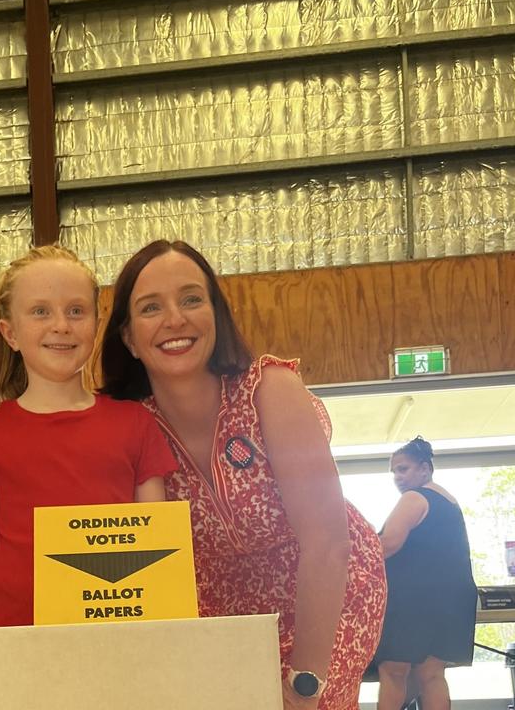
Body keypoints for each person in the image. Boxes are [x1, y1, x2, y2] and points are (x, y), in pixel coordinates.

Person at [99, 239, 386, 709]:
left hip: (327, 595)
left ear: (216, 314)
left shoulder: (269, 390)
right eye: (151, 307)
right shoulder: (129, 425)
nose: (175, 319)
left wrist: (307, 681)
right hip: (224, 618)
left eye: (192, 299)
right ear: (128, 337)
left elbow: (328, 544)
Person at [0, 245, 177, 683]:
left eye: (75, 310)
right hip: (14, 656)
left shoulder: (135, 423)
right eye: (40, 312)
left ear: (95, 322)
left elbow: (159, 549)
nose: (61, 326)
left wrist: (162, 651)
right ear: (10, 333)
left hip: (120, 656)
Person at [374, 437, 477, 710]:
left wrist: (347, 560)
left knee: (393, 670)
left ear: (425, 468)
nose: (397, 476)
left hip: (416, 599)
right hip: (452, 599)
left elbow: (388, 544)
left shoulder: (414, 497)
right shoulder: (448, 500)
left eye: (403, 469)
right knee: (431, 674)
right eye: (394, 471)